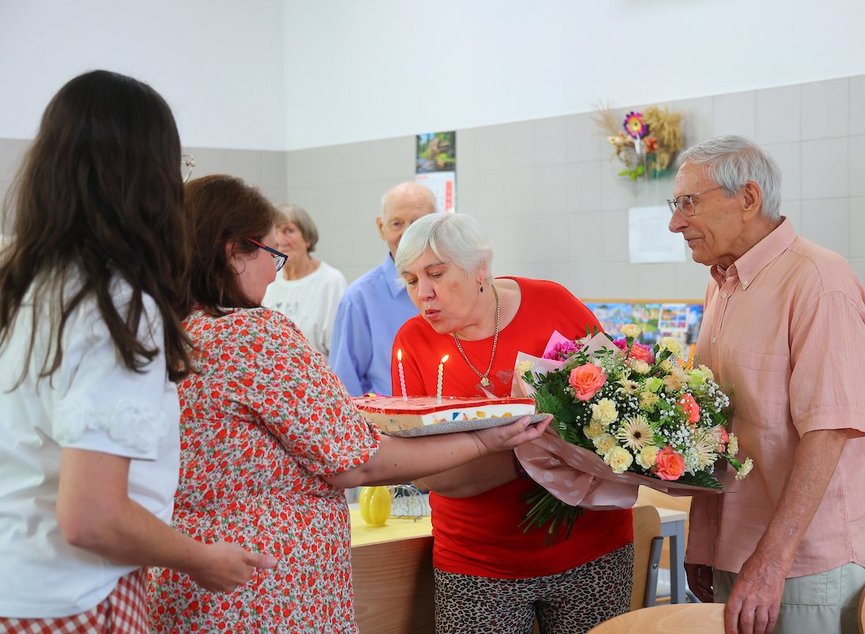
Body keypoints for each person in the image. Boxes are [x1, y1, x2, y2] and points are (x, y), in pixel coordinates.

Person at [147, 175, 550, 633]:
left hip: (185, 574)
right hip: (264, 590)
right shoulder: (252, 335)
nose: (274, 272)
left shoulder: (165, 331)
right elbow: (355, 462)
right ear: (232, 251)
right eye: (270, 254)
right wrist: (484, 440)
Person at [0, 70, 274, 632]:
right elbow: (92, 516)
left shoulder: (22, 279)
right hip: (74, 594)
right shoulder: (115, 301)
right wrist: (201, 558)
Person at [668, 135, 865, 634]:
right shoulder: (721, 282)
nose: (676, 222)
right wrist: (705, 543)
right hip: (740, 550)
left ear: (747, 199)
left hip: (806, 561)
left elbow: (828, 432)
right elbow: (723, 426)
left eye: (689, 202)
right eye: (675, 204)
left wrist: (770, 561)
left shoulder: (818, 280)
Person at [393, 213, 634, 634]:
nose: (424, 294)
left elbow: (616, 407)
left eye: (436, 273)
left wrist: (499, 451)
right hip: (478, 562)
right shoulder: (413, 342)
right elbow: (428, 474)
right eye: (411, 281)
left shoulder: (552, 303)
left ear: (479, 268)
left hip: (591, 547)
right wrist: (536, 454)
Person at [330, 181, 437, 396]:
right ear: (381, 228)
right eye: (397, 223)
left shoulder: (458, 285)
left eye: (418, 223)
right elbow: (345, 386)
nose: (408, 233)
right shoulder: (359, 298)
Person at [262, 203, 346, 357]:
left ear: (307, 238)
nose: (281, 240)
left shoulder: (331, 281)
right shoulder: (268, 278)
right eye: (276, 232)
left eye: (289, 231)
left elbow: (339, 348)